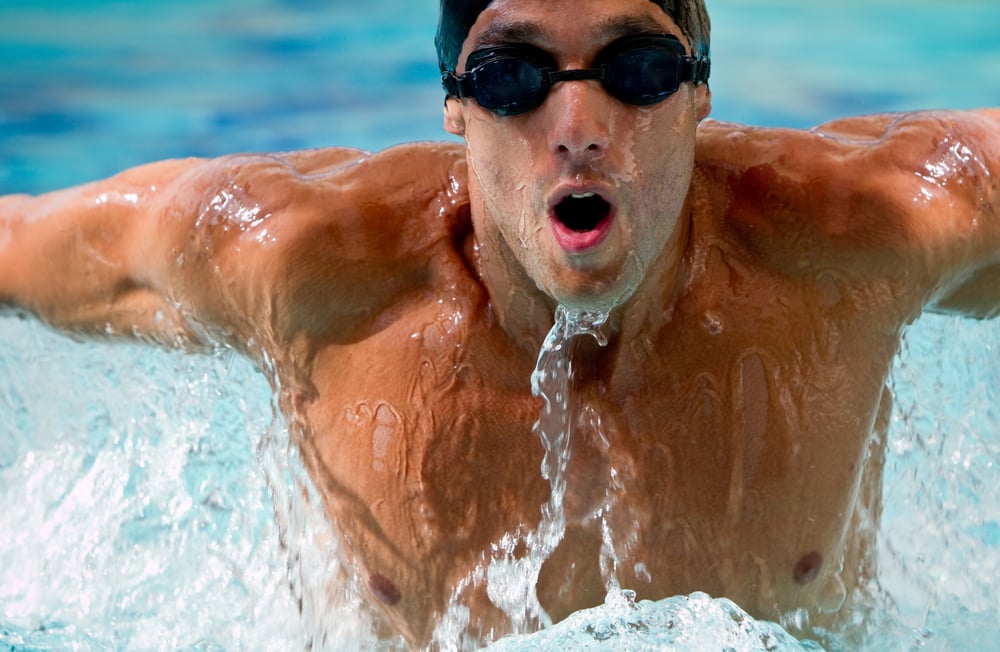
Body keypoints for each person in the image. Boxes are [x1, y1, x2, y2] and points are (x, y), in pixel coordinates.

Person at [1, 0, 998, 646]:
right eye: (513, 77)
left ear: (697, 87)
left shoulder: (854, 236)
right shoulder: (301, 261)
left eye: (636, 68)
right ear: (454, 104)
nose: (576, 128)